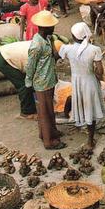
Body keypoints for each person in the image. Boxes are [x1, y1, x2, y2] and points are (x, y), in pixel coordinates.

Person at [59, 23, 105, 148]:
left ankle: (81, 123)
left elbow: (59, 53)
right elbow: (100, 72)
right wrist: (96, 76)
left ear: (73, 36)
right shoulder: (94, 49)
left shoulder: (67, 49)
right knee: (91, 107)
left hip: (76, 81)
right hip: (90, 81)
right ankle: (90, 141)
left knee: (81, 103)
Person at [25, 10, 65, 149]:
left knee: (49, 109)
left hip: (49, 79)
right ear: (44, 28)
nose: (54, 28)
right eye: (51, 26)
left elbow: (50, 56)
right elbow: (30, 65)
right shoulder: (36, 45)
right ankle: (49, 141)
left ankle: (49, 132)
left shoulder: (46, 38)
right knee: (45, 112)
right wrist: (28, 82)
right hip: (42, 83)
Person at [0, 40, 37, 119]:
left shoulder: (41, 45)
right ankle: (27, 113)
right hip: (3, 59)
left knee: (29, 83)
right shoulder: (36, 55)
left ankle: (30, 107)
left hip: (6, 53)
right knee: (24, 85)